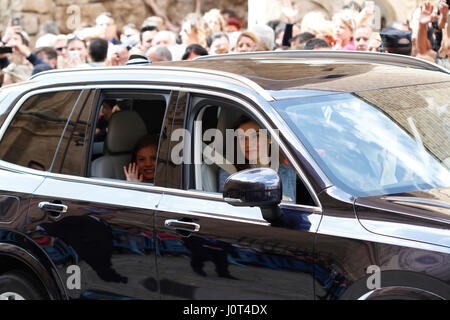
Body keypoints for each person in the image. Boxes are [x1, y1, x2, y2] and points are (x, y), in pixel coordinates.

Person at [218, 116, 296, 202]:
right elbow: (229, 206)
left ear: (270, 138)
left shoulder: (288, 172)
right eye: (242, 138)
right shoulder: (231, 172)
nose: (248, 144)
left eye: (255, 136)